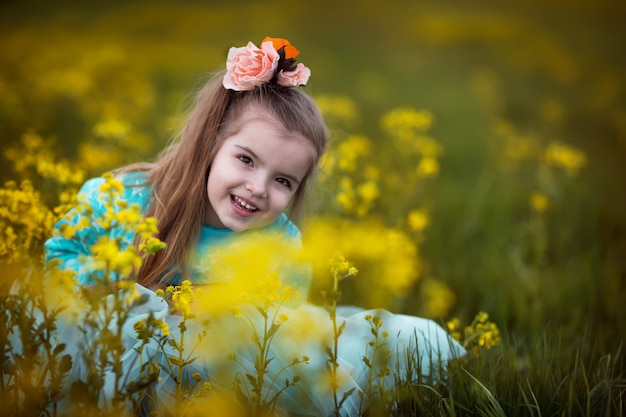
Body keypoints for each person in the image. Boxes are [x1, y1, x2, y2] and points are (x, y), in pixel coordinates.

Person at [44, 37, 465, 416]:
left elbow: (273, 332)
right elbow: (58, 259)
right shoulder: (123, 197)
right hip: (120, 345)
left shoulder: (279, 241)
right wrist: (110, 288)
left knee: (408, 339)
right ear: (210, 142)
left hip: (216, 365)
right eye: (245, 159)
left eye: (283, 181)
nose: (258, 188)